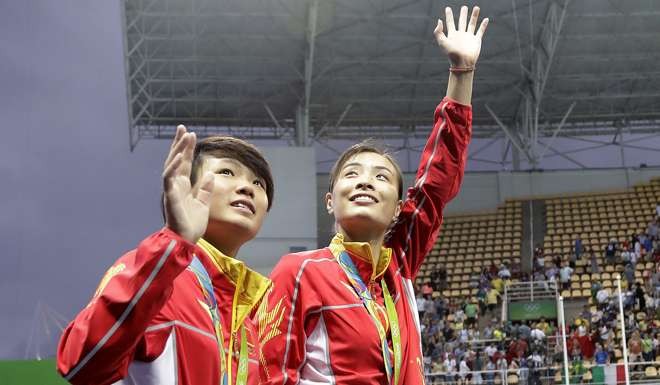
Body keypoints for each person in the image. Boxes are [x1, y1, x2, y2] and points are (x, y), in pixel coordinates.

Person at [259, 6, 489, 385]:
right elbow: (270, 373)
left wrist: (461, 73)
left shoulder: (398, 265)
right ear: (330, 200)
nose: (365, 182)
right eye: (352, 174)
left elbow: (437, 180)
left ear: (399, 209)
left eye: (381, 176)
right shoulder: (299, 271)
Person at [57, 127, 275, 385]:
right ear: (189, 187)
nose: (247, 188)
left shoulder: (254, 322)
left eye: (258, 183)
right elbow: (81, 363)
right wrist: (175, 241)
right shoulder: (154, 274)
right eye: (226, 172)